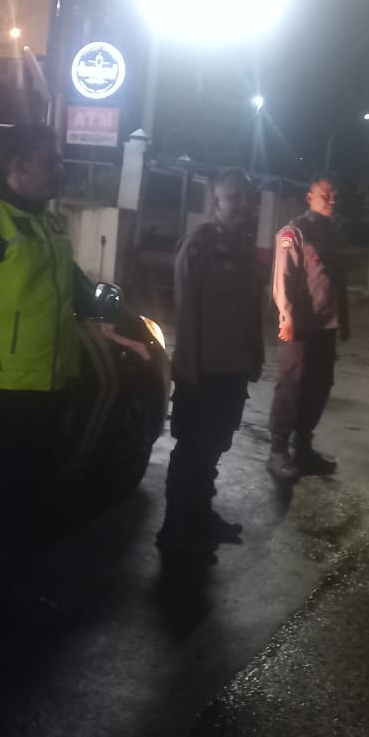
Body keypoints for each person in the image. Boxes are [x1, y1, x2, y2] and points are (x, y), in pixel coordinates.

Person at [0, 123, 137, 638]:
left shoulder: (49, 227)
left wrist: (101, 309)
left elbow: (75, 294)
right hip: (0, 395)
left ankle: (15, 594)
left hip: (47, 394)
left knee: (31, 505)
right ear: (17, 166)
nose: (59, 169)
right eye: (50, 160)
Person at [158, 168, 264, 557]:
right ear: (216, 200)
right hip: (202, 372)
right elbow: (185, 311)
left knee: (215, 447)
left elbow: (251, 313)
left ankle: (200, 515)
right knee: (192, 450)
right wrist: (188, 368)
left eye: (246, 198)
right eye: (233, 198)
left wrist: (255, 357)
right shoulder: (199, 245)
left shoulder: (244, 249)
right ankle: (175, 527)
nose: (242, 205)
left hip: (233, 371)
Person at [268, 173, 350, 483]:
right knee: (292, 385)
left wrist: (344, 321)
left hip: (325, 325)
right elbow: (283, 277)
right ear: (309, 198)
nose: (331, 200)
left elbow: (336, 281)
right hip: (300, 325)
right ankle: (278, 450)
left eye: (334, 195)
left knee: (320, 386)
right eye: (325, 195)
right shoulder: (295, 231)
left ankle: (303, 448)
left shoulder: (330, 233)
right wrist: (286, 315)